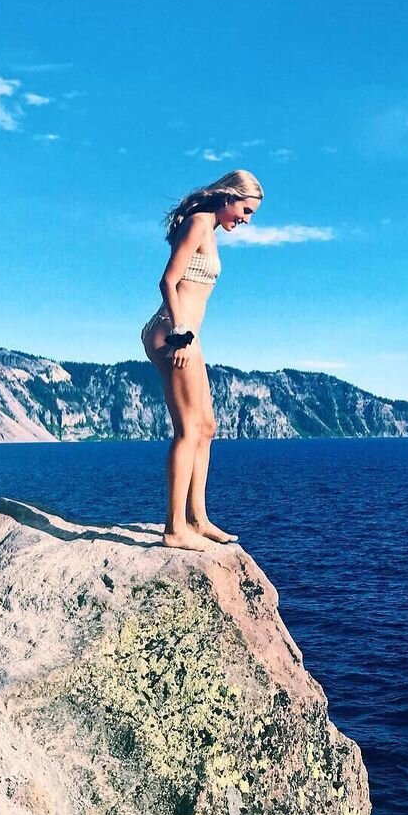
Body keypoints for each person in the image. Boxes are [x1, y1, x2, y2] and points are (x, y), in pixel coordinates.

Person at [140, 169, 264, 550]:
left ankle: (197, 518)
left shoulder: (209, 228)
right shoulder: (198, 223)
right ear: (229, 197)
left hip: (187, 335)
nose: (246, 220)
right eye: (245, 210)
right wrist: (180, 332)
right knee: (188, 429)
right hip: (172, 333)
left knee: (206, 426)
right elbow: (168, 280)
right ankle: (174, 528)